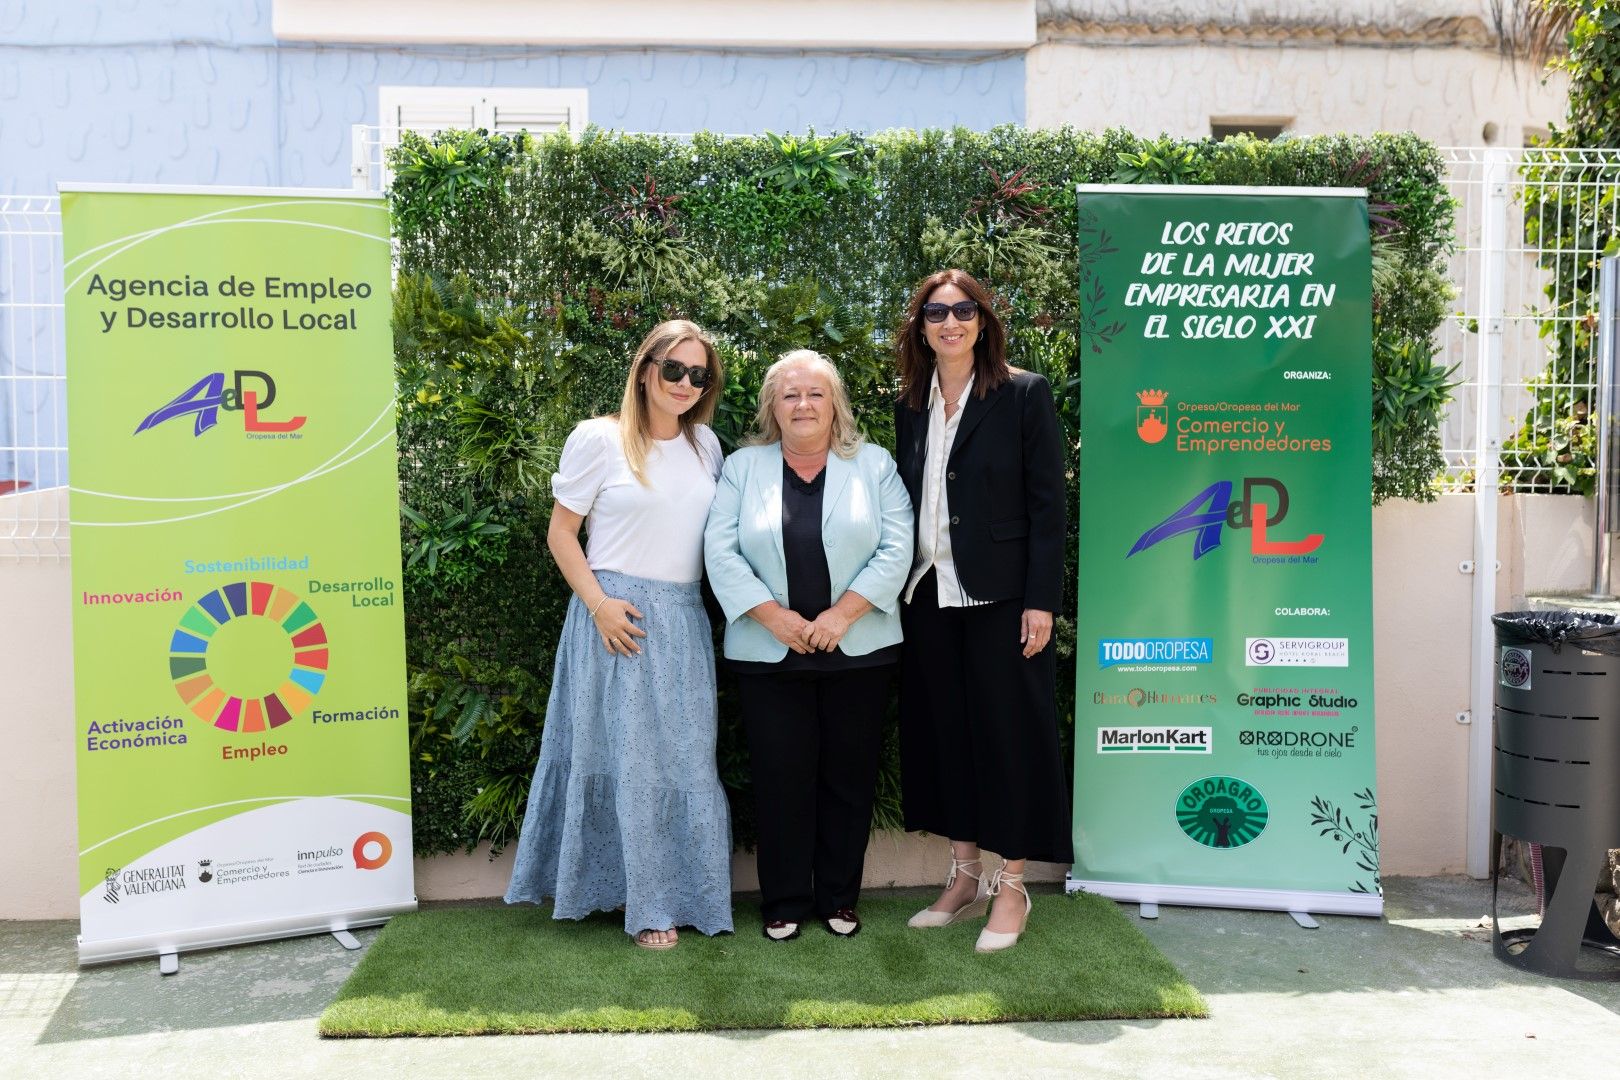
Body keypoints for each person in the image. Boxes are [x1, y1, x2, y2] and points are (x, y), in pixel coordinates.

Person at [505, 319, 733, 950]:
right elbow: (561, 534)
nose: (686, 383)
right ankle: (646, 906)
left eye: (700, 374)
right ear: (645, 369)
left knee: (686, 760)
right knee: (629, 762)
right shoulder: (598, 440)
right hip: (616, 621)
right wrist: (600, 604)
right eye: (674, 370)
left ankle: (685, 894)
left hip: (684, 623)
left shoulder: (706, 447)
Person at [705, 350, 913, 941]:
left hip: (859, 649)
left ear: (836, 405)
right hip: (769, 653)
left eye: (816, 394)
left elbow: (897, 548)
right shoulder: (743, 468)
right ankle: (785, 900)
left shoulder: (873, 466)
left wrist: (840, 616)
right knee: (780, 778)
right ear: (773, 405)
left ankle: (840, 899)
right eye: (790, 394)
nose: (803, 404)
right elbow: (720, 552)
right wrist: (778, 621)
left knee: (848, 778)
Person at [894, 269, 1072, 953]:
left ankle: (1013, 885)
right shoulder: (911, 401)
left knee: (1010, 738)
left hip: (1002, 599)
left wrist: (1040, 604)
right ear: (922, 326)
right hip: (928, 594)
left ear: (984, 320)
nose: (951, 322)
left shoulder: (1023, 393)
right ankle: (963, 876)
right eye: (937, 313)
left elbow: (1047, 509)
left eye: (963, 310)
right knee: (950, 737)